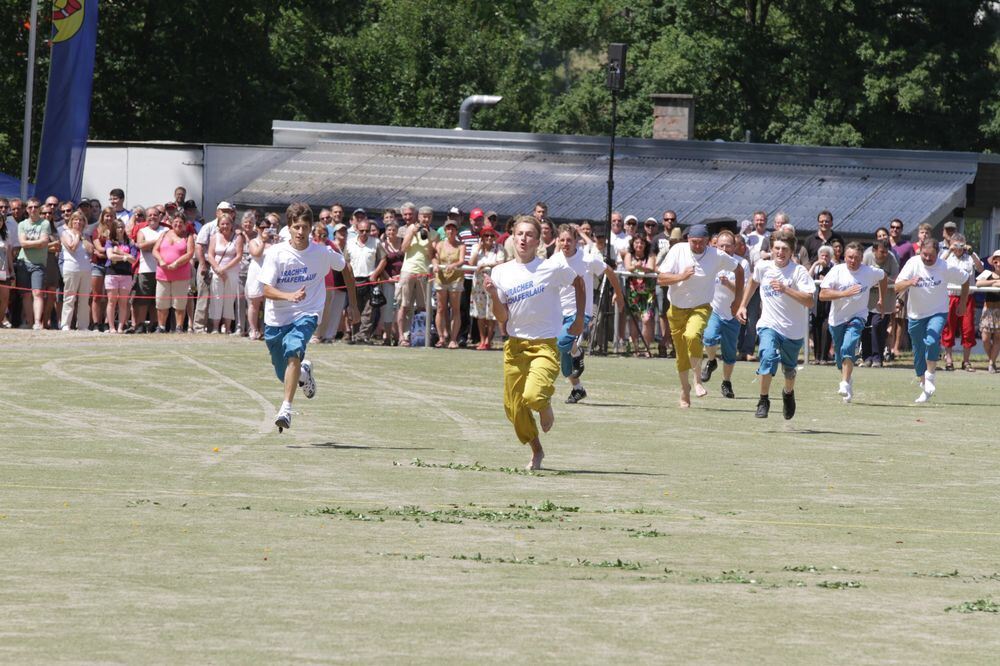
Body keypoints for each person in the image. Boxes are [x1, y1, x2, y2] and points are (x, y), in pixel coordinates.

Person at [484, 216, 585, 470]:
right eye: (519, 234)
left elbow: (578, 282)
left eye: (529, 234)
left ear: (538, 241)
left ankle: (544, 405)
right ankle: (536, 450)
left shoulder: (551, 267)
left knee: (533, 395)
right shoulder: (500, 272)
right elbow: (502, 317)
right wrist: (493, 295)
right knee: (514, 408)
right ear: (512, 237)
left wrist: (579, 320)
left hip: (545, 345)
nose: (523, 239)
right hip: (515, 346)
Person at [259, 208, 353, 432]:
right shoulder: (276, 253)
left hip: (307, 313)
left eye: (305, 227)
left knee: (294, 349)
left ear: (311, 229)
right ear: (289, 228)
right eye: (296, 227)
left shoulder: (321, 252)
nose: (300, 232)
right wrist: (288, 296)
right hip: (276, 319)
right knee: (283, 373)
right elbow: (266, 289)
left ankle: (285, 410)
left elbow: (346, 268)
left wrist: (355, 305)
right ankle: (303, 373)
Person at [659, 224, 743, 406]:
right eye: (694, 242)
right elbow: (661, 278)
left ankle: (697, 381)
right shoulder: (677, 250)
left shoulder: (716, 254)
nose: (697, 246)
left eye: (701, 242)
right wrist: (681, 276)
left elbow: (739, 269)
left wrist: (738, 300)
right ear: (688, 239)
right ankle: (685, 389)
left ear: (708, 241)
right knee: (681, 353)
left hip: (701, 306)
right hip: (676, 308)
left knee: (692, 335)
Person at [736, 232, 815, 419]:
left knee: (789, 370)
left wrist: (786, 289)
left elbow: (809, 301)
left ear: (791, 251)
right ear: (771, 249)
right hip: (769, 324)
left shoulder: (798, 272)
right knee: (768, 357)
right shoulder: (763, 267)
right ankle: (763, 400)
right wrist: (742, 305)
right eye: (777, 248)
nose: (780, 252)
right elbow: (753, 281)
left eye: (784, 249)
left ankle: (788, 393)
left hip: (792, 330)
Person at [894, 239, 971, 403]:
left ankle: (930, 376)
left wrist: (963, 303)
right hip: (915, 314)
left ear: (938, 253)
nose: (928, 258)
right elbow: (897, 286)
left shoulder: (944, 266)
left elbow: (966, 280)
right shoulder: (913, 263)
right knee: (918, 351)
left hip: (938, 311)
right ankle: (924, 386)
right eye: (925, 255)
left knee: (932, 338)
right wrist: (909, 282)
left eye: (931, 256)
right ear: (920, 250)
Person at [556, 224, 624, 404]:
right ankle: (578, 389)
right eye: (562, 240)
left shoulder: (587, 259)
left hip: (580, 313)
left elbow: (609, 271)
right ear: (558, 241)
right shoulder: (554, 260)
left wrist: (618, 293)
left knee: (562, 342)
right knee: (566, 367)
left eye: (569, 240)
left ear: (576, 241)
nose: (565, 243)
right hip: (558, 313)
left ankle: (578, 353)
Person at [818, 242, 887, 403]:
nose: (853, 261)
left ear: (862, 258)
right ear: (844, 257)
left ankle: (844, 383)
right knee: (840, 357)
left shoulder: (869, 272)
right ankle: (847, 379)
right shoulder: (837, 271)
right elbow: (822, 295)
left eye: (856, 258)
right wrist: (844, 293)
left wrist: (881, 299)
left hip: (858, 316)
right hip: (837, 319)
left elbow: (883, 277)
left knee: (848, 346)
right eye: (850, 257)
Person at [700, 230, 750, 398]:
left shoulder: (742, 264)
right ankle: (711, 360)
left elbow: (744, 291)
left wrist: (728, 284)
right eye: (721, 246)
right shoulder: (711, 261)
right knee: (709, 337)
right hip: (714, 309)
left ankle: (726, 382)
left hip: (733, 312)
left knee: (729, 352)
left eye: (728, 246)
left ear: (734, 246)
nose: (724, 249)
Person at [940, 234, 983, 371]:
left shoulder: (970, 256)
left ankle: (966, 361)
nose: (958, 248)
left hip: (967, 297)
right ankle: (948, 360)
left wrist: (971, 252)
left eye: (961, 245)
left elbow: (980, 269)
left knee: (968, 328)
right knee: (949, 327)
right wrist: (949, 250)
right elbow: (937, 265)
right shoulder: (947, 256)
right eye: (956, 245)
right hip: (950, 296)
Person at [396, 206, 435, 346]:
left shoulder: (434, 233)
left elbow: (431, 255)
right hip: (408, 271)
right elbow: (403, 249)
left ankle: (421, 336)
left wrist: (428, 238)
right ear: (418, 217)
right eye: (424, 216)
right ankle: (402, 337)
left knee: (423, 307)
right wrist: (412, 233)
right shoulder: (411, 228)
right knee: (404, 305)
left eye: (429, 217)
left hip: (424, 272)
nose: (426, 219)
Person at [152, 212, 195, 333]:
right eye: (176, 222)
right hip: (163, 273)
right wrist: (160, 260)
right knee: (161, 302)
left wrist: (176, 263)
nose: (178, 224)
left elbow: (190, 253)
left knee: (179, 303)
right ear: (171, 222)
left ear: (185, 224)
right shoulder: (164, 234)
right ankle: (161, 327)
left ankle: (179, 327)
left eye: (181, 222)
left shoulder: (188, 236)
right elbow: (155, 250)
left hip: (181, 274)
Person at [16, 197, 53, 330]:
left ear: (39, 209)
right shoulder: (22, 224)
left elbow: (44, 242)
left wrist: (29, 243)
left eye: (36, 207)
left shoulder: (45, 223)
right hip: (23, 262)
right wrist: (37, 243)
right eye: (30, 207)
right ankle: (29, 322)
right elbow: (23, 243)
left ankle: (37, 322)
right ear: (26, 209)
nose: (33, 209)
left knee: (37, 293)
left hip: (38, 264)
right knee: (26, 294)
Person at [860, 239, 899, 367]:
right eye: (882, 252)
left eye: (886, 252)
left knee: (877, 326)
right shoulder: (867, 257)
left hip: (885, 301)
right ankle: (866, 357)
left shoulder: (891, 259)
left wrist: (882, 281)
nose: (885, 254)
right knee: (865, 328)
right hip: (867, 301)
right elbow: (860, 275)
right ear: (874, 250)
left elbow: (896, 278)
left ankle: (877, 358)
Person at [469, 221, 506, 350]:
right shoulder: (476, 247)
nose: (489, 238)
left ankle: (488, 340)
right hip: (478, 284)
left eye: (491, 235)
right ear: (482, 237)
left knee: (491, 313)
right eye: (486, 235)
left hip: (492, 283)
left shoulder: (499, 248)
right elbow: (471, 263)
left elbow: (501, 262)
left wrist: (485, 265)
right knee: (480, 313)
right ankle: (482, 339)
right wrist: (478, 249)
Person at [207, 211, 244, 334]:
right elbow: (210, 255)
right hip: (216, 271)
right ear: (219, 225)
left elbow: (238, 256)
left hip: (231, 272)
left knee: (229, 299)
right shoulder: (214, 237)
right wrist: (218, 269)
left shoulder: (237, 237)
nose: (225, 226)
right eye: (222, 224)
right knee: (216, 299)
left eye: (227, 224)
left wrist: (225, 269)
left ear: (231, 224)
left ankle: (227, 328)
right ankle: (215, 328)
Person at [133, 206, 167, 333]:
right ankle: (140, 324)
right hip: (146, 270)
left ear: (160, 216)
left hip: (162, 270)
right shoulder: (142, 231)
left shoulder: (166, 230)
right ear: (146, 218)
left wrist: (150, 245)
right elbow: (141, 246)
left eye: (155, 215)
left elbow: (168, 246)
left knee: (157, 300)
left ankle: (155, 324)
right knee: (143, 299)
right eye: (150, 215)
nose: (153, 217)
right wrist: (158, 241)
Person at [433, 219, 466, 348]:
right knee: (441, 308)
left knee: (455, 309)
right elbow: (434, 257)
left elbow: (462, 260)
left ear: (456, 231)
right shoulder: (440, 244)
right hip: (441, 278)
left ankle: (453, 339)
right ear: (445, 230)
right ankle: (441, 337)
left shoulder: (461, 245)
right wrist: (435, 265)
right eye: (448, 228)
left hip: (456, 279)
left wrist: (453, 265)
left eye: (453, 229)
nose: (450, 231)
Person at [623, 234, 657, 356]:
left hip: (648, 293)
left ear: (645, 244)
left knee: (646, 319)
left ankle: (646, 348)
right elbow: (628, 267)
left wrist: (640, 268)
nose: (639, 245)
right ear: (633, 244)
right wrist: (635, 267)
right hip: (633, 293)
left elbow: (651, 267)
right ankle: (636, 349)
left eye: (642, 243)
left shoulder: (650, 255)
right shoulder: (629, 255)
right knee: (633, 320)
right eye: (637, 242)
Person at [245, 215, 277, 339]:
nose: (265, 229)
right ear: (257, 228)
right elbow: (256, 254)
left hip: (270, 274)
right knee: (254, 303)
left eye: (267, 227)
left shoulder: (273, 242)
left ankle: (267, 330)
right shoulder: (254, 241)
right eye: (262, 227)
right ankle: (253, 330)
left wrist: (277, 242)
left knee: (270, 303)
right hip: (257, 273)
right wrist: (263, 241)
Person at [59, 211, 92, 331]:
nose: (78, 222)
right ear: (71, 221)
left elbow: (91, 250)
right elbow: (72, 247)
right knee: (69, 297)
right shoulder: (65, 233)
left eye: (81, 220)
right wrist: (77, 236)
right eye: (75, 219)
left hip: (86, 269)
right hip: (71, 269)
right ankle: (65, 324)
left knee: (84, 299)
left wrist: (82, 237)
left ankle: (83, 325)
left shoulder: (86, 236)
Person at [104, 221, 138, 333]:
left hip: (126, 274)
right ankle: (111, 327)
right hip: (112, 273)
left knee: (123, 302)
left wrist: (120, 253)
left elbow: (133, 260)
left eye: (122, 227)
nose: (120, 229)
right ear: (114, 229)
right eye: (118, 227)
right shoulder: (110, 241)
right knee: (111, 301)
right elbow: (110, 256)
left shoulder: (130, 242)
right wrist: (125, 257)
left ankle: (120, 327)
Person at [379, 219, 404, 345]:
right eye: (389, 230)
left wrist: (401, 276)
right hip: (388, 280)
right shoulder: (382, 245)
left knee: (401, 308)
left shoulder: (403, 242)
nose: (391, 232)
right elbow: (381, 264)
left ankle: (400, 337)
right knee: (388, 309)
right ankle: (387, 336)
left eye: (394, 230)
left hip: (403, 279)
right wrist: (388, 278)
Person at [976, 251, 1000, 374]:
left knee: (997, 338)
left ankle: (991, 363)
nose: (998, 263)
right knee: (985, 338)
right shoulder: (987, 273)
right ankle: (992, 360)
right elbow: (978, 283)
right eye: (996, 261)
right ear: (993, 262)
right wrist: (994, 282)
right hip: (988, 309)